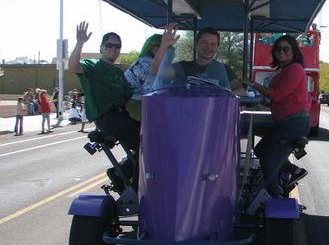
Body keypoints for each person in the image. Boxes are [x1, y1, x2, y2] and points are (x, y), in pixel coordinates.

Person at [242, 34, 309, 196]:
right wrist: (261, 102)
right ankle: (295, 170)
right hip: (286, 122)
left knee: (268, 158)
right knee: (260, 149)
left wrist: (253, 84)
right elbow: (280, 99)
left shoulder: (295, 69)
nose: (281, 52)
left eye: (286, 49)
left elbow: (277, 95)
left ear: (294, 52)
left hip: (293, 123)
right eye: (278, 49)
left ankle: (274, 192)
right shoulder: (285, 71)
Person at [68, 21, 140, 152]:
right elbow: (73, 67)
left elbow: (129, 98)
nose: (113, 49)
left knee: (148, 135)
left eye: (117, 46)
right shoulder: (93, 65)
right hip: (106, 118)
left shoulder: (118, 72)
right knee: (143, 146)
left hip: (122, 115)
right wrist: (80, 43)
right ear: (101, 48)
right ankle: (140, 172)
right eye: (109, 45)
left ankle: (122, 171)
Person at [151, 26, 244, 94]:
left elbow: (241, 90)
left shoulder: (224, 69)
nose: (208, 48)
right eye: (204, 43)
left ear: (217, 47)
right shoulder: (183, 67)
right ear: (196, 44)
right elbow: (156, 72)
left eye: (213, 44)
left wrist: (223, 97)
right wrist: (164, 45)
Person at [124, 33, 162, 121]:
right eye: (160, 46)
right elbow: (151, 89)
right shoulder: (146, 62)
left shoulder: (147, 61)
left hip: (137, 101)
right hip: (133, 104)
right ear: (152, 48)